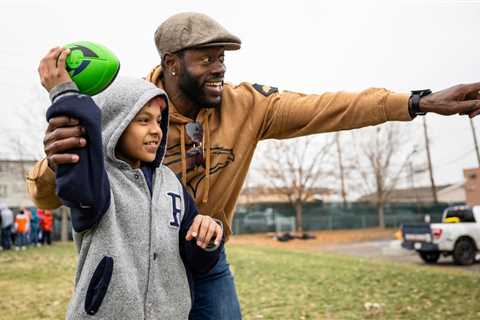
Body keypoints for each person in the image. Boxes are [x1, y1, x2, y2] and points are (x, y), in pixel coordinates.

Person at [27, 12, 480, 320]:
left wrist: (418, 101)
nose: (219, 68)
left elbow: (331, 106)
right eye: (206, 58)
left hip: (205, 257)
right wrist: (56, 157)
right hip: (131, 259)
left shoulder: (247, 106)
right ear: (170, 64)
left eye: (222, 58)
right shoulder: (131, 108)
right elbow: (59, 187)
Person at [36, 48, 224, 319]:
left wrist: (207, 237)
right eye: (143, 120)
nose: (156, 130)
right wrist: (64, 92)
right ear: (115, 122)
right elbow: (80, 138)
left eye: (159, 121)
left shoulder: (170, 182)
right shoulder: (97, 180)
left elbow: (197, 260)